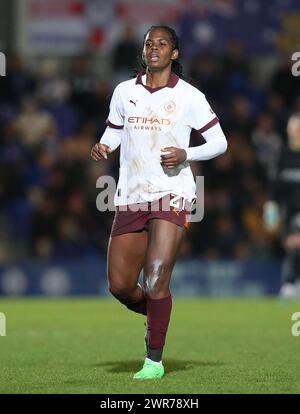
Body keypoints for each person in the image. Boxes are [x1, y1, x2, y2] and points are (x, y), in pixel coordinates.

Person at [91, 25, 227, 379]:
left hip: (172, 191)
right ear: (143, 51)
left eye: (162, 44)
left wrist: (187, 153)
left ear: (174, 53)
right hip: (130, 195)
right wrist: (105, 145)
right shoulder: (124, 91)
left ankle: (154, 360)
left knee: (155, 277)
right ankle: (159, 314)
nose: (154, 48)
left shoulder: (189, 96)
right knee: (120, 285)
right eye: (149, 43)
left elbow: (219, 142)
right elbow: (114, 130)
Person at [263, 112, 300, 298]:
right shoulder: (281, 156)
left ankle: (289, 284)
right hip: (287, 213)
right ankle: (290, 284)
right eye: (295, 128)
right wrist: (270, 215)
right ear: (289, 130)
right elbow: (273, 191)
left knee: (296, 244)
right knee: (292, 245)